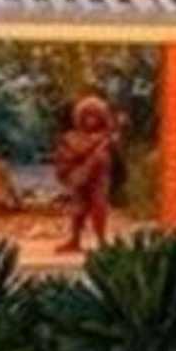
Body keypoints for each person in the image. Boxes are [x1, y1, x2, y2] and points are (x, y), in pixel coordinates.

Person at [52, 92, 119, 253]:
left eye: (95, 116)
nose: (91, 120)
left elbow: (114, 159)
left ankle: (101, 240)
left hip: (99, 180)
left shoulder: (107, 138)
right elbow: (71, 153)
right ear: (80, 118)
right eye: (87, 116)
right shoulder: (72, 137)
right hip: (80, 179)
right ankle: (75, 239)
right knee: (77, 210)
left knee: (99, 208)